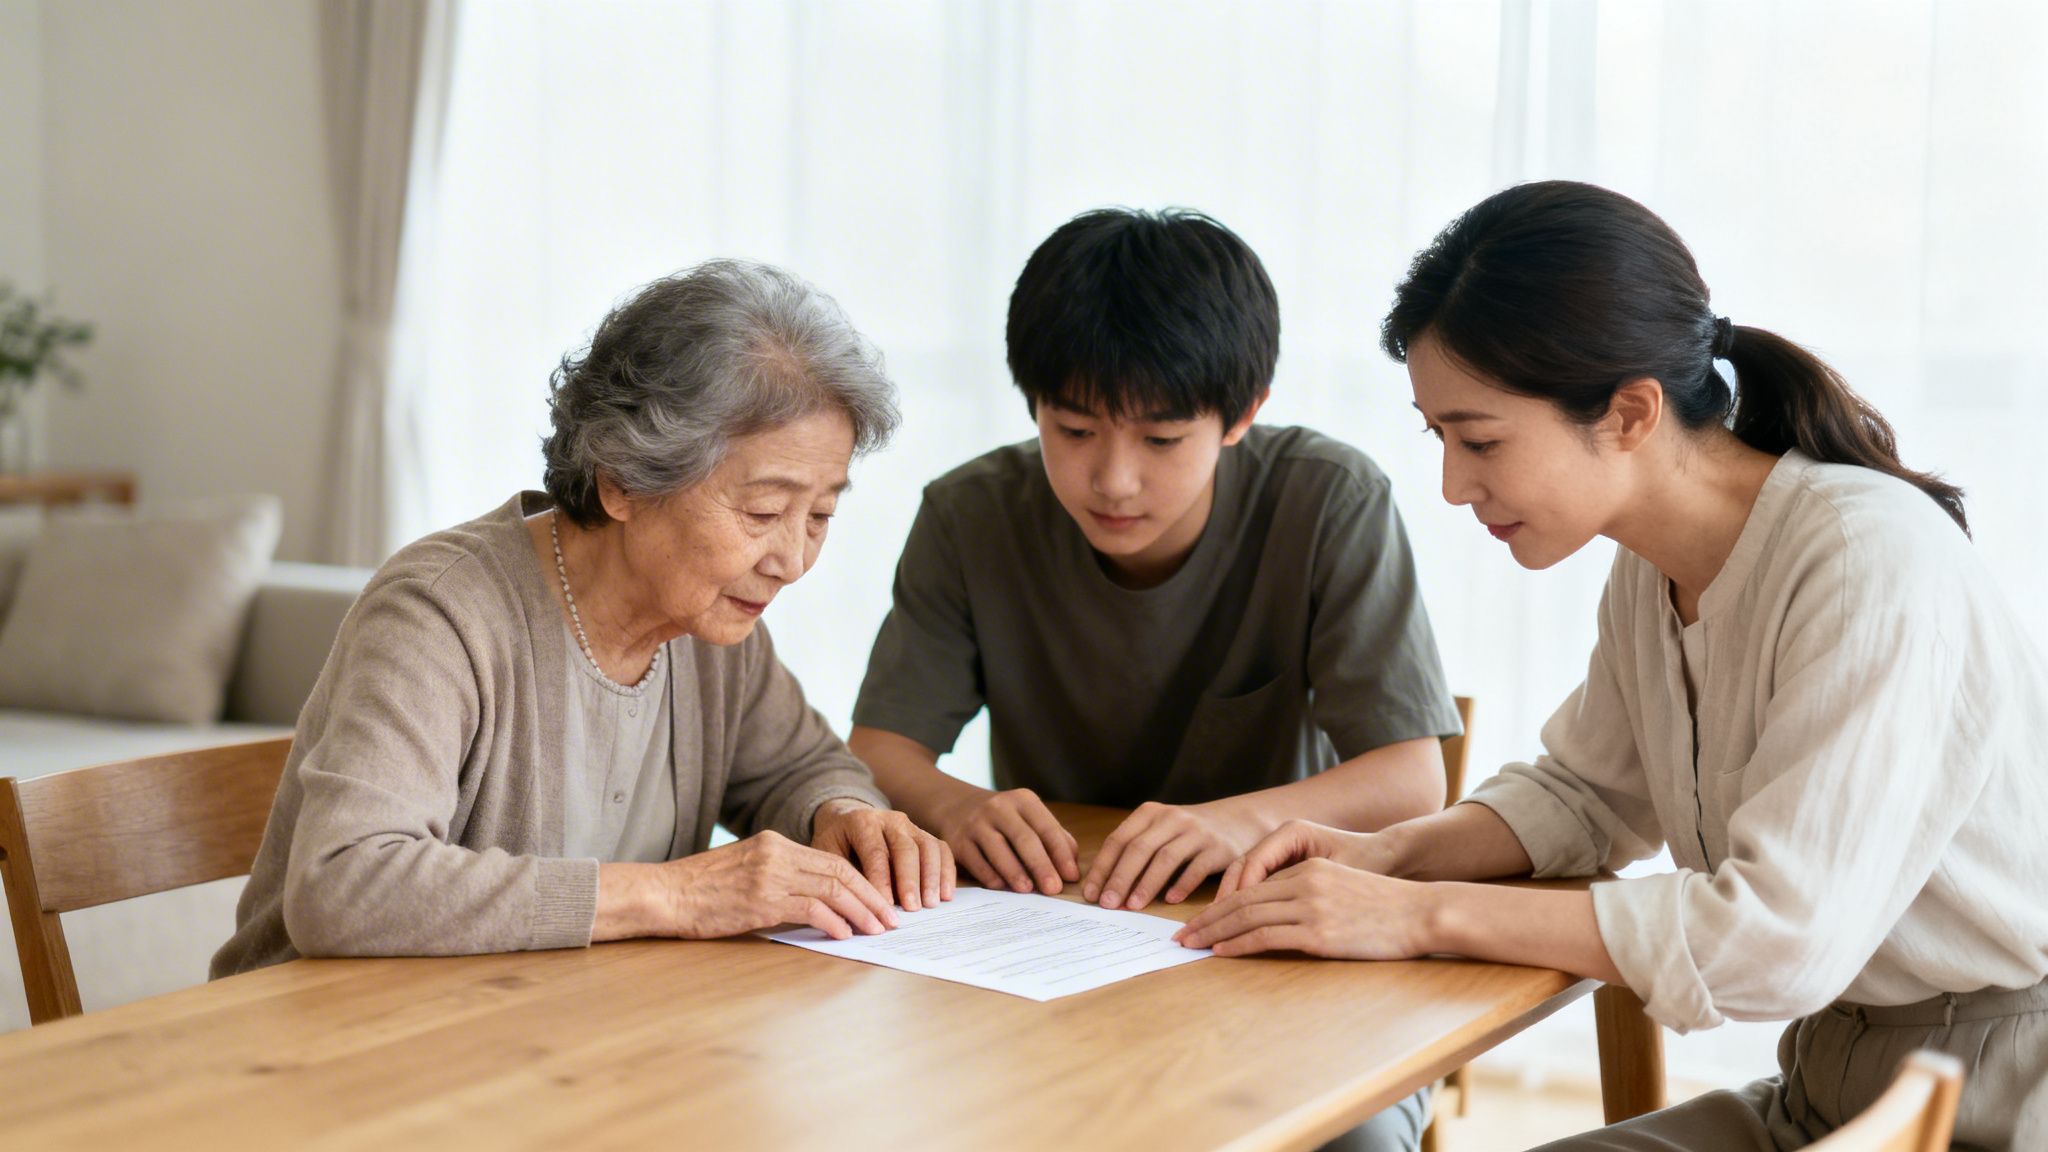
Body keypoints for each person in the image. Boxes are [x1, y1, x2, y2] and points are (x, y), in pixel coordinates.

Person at [1177, 181, 2048, 1150]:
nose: (1452, 484)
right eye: (1438, 437)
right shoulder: (1652, 571)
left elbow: (1773, 941)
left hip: (2001, 1098)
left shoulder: (1862, 558)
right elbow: (1585, 793)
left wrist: (1418, 915)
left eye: (1478, 439)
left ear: (1629, 411)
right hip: (1830, 1078)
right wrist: (1390, 854)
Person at [849, 207, 1462, 1152]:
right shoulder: (971, 516)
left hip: (1287, 943)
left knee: (1352, 1138)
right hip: (1048, 946)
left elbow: (1411, 778)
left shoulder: (1329, 501)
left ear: (1244, 411)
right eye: (1074, 429)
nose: (1114, 481)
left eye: (1164, 440)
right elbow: (880, 750)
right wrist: (954, 805)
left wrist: (1233, 820)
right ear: (1031, 406)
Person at [214, 260, 953, 977]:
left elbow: (800, 765)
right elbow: (344, 883)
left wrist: (843, 810)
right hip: (323, 1055)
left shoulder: (710, 625)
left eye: (819, 513)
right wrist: (679, 894)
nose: (792, 559)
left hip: (541, 1043)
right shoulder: (439, 613)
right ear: (622, 482)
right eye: (763, 511)